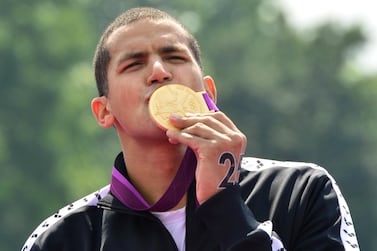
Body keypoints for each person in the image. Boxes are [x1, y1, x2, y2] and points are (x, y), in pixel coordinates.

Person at [22, 7, 360, 251]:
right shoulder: (64, 238)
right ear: (104, 111)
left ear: (208, 94)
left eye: (176, 58)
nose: (158, 71)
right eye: (134, 64)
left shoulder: (301, 192)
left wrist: (226, 207)